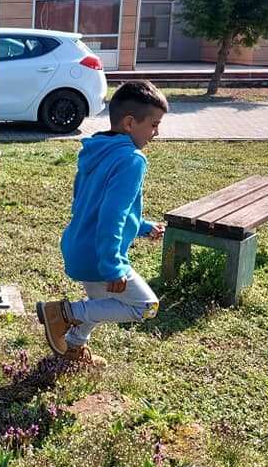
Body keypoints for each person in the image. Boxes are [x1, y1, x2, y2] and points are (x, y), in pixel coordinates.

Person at [36, 80, 169, 368]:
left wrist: (143, 226)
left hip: (78, 244)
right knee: (146, 307)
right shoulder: (132, 159)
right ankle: (62, 312)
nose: (157, 133)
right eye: (154, 125)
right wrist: (113, 266)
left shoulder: (97, 149)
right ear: (130, 122)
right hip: (99, 256)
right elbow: (112, 215)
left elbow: (89, 203)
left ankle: (73, 350)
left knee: (96, 308)